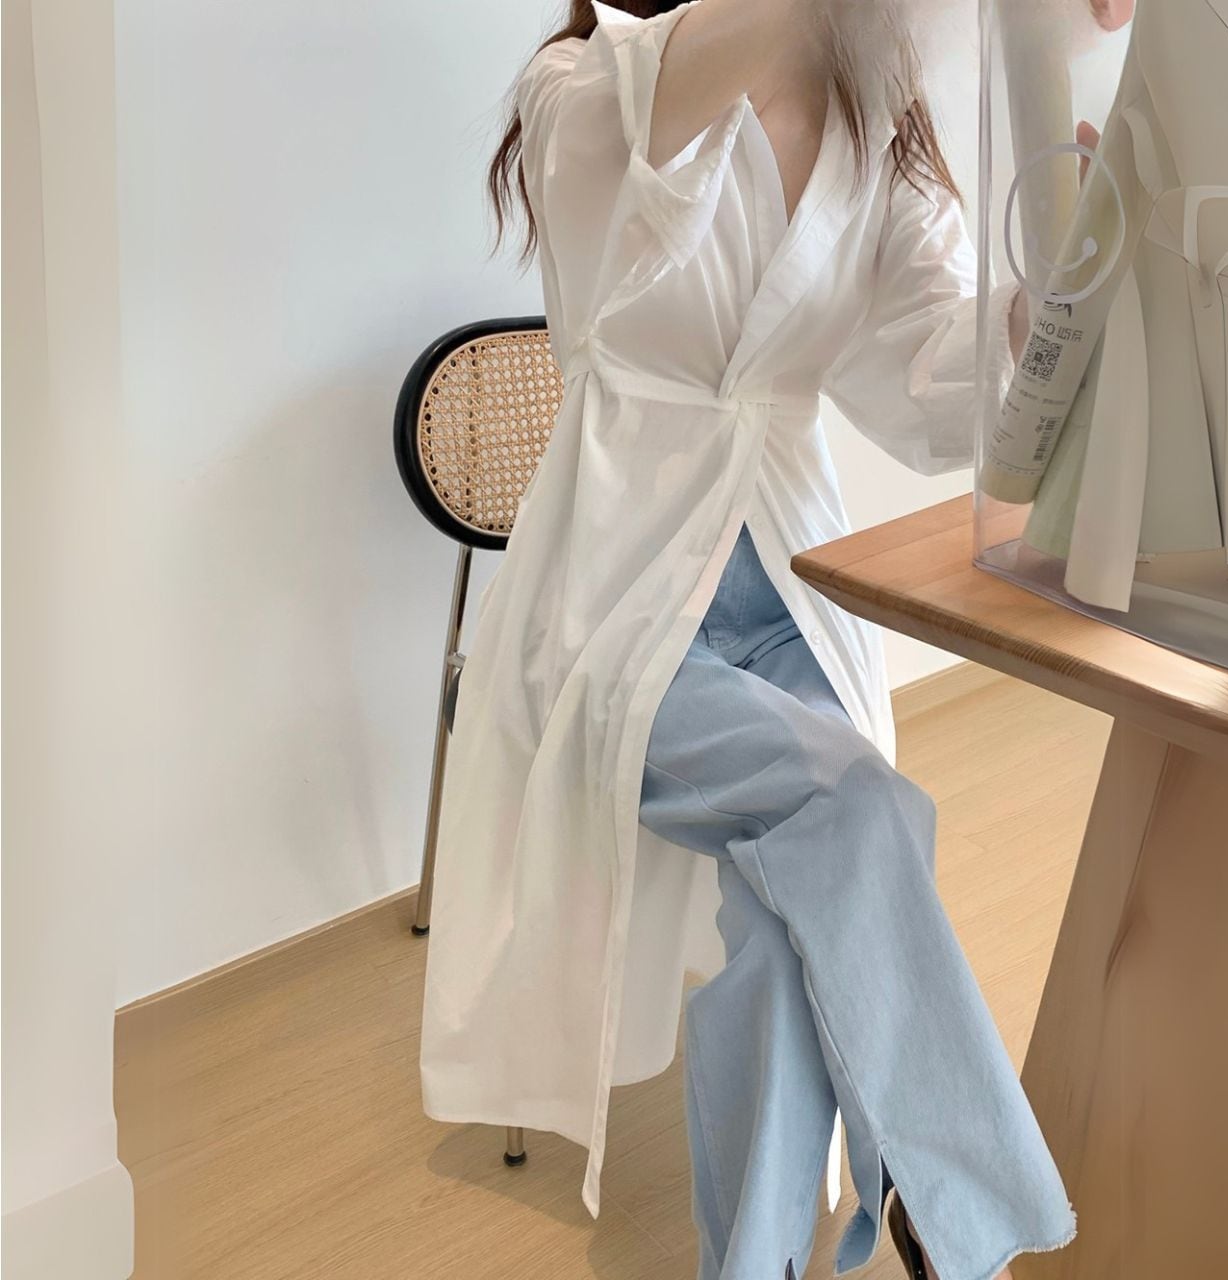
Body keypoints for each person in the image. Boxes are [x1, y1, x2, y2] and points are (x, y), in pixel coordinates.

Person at [419, 2, 1078, 1278]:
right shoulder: (583, 86)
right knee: (855, 803)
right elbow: (666, 112)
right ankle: (952, 1212)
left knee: (794, 912)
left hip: (787, 583)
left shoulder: (869, 119)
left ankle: (761, 1260)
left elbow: (927, 368)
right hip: (612, 608)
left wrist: (1042, 308)